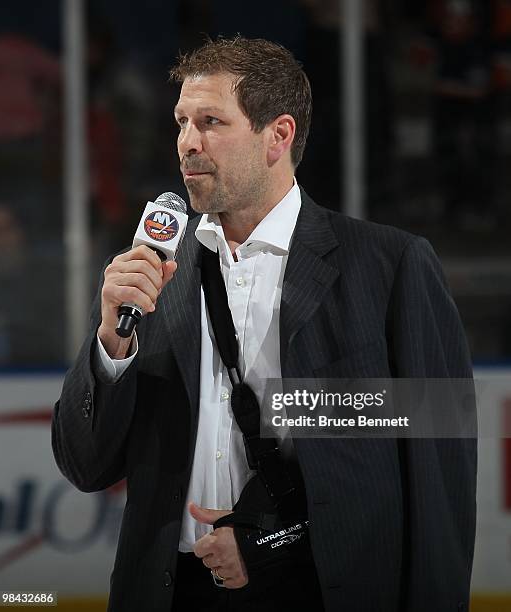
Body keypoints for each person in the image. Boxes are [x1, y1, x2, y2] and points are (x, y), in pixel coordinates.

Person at [52, 36, 476, 612]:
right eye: (180, 121)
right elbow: (86, 465)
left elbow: (435, 461)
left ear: (278, 136)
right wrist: (111, 342)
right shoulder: (156, 273)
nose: (186, 143)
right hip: (173, 591)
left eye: (210, 122)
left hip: (324, 590)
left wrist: (272, 535)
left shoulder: (387, 265)